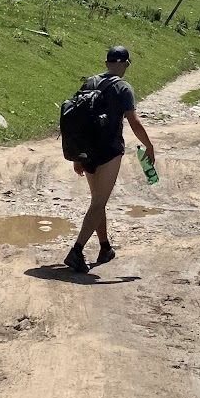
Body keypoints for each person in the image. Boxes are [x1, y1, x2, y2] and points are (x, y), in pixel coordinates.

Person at [63, 45, 155, 274]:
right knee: (99, 203)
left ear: (106, 63)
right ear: (125, 64)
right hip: (109, 151)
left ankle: (104, 247)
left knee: (97, 200)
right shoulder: (124, 88)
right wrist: (149, 146)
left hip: (87, 151)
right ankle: (76, 251)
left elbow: (76, 123)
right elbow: (133, 121)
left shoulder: (89, 83)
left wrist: (77, 156)